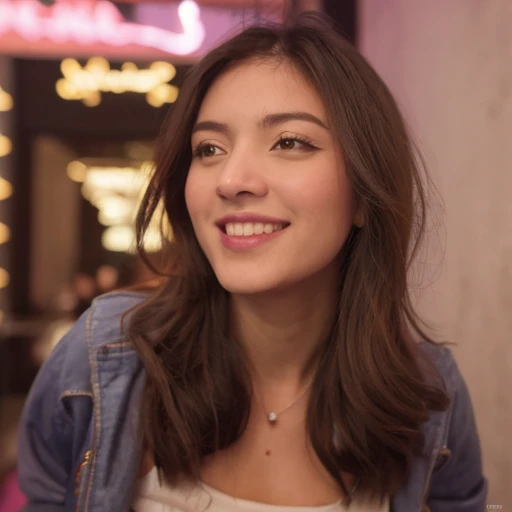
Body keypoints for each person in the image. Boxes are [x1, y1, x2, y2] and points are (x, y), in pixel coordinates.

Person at [17, 13, 487, 512]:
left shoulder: (428, 395)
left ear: (364, 197)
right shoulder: (100, 356)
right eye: (210, 148)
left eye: (289, 142)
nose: (231, 179)